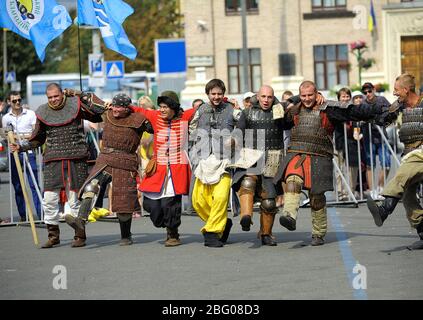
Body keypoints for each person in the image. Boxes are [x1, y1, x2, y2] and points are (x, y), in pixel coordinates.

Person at [274, 81, 387, 246]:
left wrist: (378, 109)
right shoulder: (295, 110)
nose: (306, 99)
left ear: (317, 93)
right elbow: (280, 118)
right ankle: (290, 215)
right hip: (297, 154)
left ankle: (318, 234)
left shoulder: (329, 109)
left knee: (317, 197)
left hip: (320, 156)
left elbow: (353, 111)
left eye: (310, 95)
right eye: (303, 95)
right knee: (292, 181)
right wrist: (296, 99)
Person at [10, 83, 104, 248]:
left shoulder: (76, 105)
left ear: (62, 94)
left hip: (76, 158)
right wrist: (22, 146)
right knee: (49, 200)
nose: (53, 99)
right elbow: (38, 138)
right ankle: (53, 236)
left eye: (56, 96)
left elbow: (98, 112)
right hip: (53, 160)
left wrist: (80, 94)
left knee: (74, 199)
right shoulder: (42, 111)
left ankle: (79, 235)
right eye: (50, 97)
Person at [65, 93, 150, 247]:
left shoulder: (139, 119)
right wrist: (75, 93)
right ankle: (80, 223)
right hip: (106, 159)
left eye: (119, 107)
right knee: (91, 187)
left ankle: (126, 235)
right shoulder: (107, 112)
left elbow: (156, 126)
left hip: (125, 161)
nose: (115, 109)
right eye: (114, 105)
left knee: (123, 201)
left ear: (126, 108)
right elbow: (91, 100)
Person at [131, 91, 196, 247]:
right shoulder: (155, 116)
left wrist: (226, 101)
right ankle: (163, 222)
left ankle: (172, 233)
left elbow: (201, 108)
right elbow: (138, 110)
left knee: (171, 204)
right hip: (157, 167)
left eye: (165, 107)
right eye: (160, 106)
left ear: (173, 107)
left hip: (177, 167)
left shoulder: (184, 117)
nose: (162, 110)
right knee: (150, 205)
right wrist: (118, 105)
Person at [367, 73, 423, 248]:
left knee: (400, 177)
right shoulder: (400, 107)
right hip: (410, 154)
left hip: (420, 153)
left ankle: (384, 210)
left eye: (397, 90)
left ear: (406, 90)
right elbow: (381, 120)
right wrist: (387, 107)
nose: (394, 92)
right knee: (407, 196)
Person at [232, 85, 292, 246]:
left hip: (273, 157)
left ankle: (266, 233)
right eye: (263, 96)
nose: (266, 100)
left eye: (269, 97)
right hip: (251, 155)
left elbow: (292, 120)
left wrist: (292, 102)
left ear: (274, 98)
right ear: (258, 97)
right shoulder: (247, 112)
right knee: (247, 182)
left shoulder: (280, 112)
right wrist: (233, 140)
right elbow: (239, 132)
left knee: (269, 201)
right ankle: (246, 217)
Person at [189, 79, 237, 248]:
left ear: (223, 94)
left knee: (221, 197)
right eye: (213, 94)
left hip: (225, 161)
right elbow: (191, 128)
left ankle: (211, 232)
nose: (216, 97)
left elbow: (243, 126)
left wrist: (234, 140)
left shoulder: (232, 110)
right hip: (203, 160)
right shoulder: (200, 110)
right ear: (208, 94)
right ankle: (222, 223)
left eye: (219, 93)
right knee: (198, 201)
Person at [2, 91, 41, 221]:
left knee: (34, 183)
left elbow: (36, 132)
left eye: (19, 100)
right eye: (14, 101)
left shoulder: (30, 114)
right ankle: (23, 215)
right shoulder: (6, 118)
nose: (18, 103)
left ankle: (40, 214)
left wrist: (23, 137)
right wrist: (12, 138)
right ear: (9, 102)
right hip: (14, 153)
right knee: (18, 185)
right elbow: (6, 136)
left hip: (28, 151)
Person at [360, 82, 391, 199]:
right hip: (369, 138)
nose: (368, 94)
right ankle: (372, 190)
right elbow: (358, 118)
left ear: (374, 90)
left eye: (369, 91)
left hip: (382, 137)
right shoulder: (363, 104)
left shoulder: (382, 100)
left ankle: (380, 187)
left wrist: (384, 120)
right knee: (370, 164)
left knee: (387, 164)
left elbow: (391, 112)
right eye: (365, 92)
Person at [136, 95, 156, 218]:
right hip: (143, 154)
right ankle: (146, 205)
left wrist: (148, 138)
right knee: (145, 178)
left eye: (144, 104)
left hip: (155, 151)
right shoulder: (139, 117)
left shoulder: (155, 114)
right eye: (140, 104)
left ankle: (154, 204)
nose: (142, 106)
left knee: (155, 177)